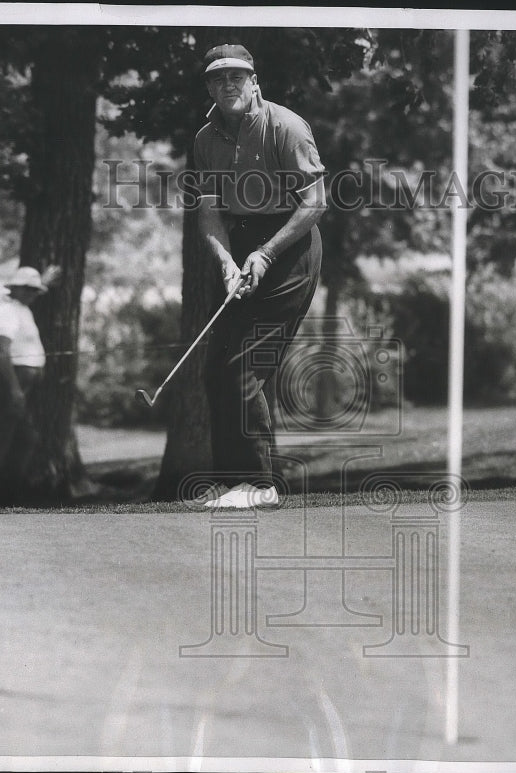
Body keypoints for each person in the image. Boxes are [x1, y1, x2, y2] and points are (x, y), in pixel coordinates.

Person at [192, 43, 327, 509]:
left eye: (237, 76)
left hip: (290, 247)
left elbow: (315, 203)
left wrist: (266, 254)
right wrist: (227, 262)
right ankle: (232, 481)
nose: (228, 85)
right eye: (218, 78)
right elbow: (208, 212)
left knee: (245, 364)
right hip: (241, 242)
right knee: (216, 368)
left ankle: (259, 483)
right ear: (209, 85)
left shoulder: (286, 126)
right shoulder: (205, 138)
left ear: (253, 81)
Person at [0, 264, 59, 506]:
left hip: (19, 383)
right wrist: (15, 389)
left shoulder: (19, 306)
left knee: (24, 439)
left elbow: (34, 293)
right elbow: (2, 352)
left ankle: (5, 496)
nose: (32, 294)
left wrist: (44, 282)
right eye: (26, 289)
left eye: (34, 291)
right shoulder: (6, 312)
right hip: (7, 381)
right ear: (14, 289)